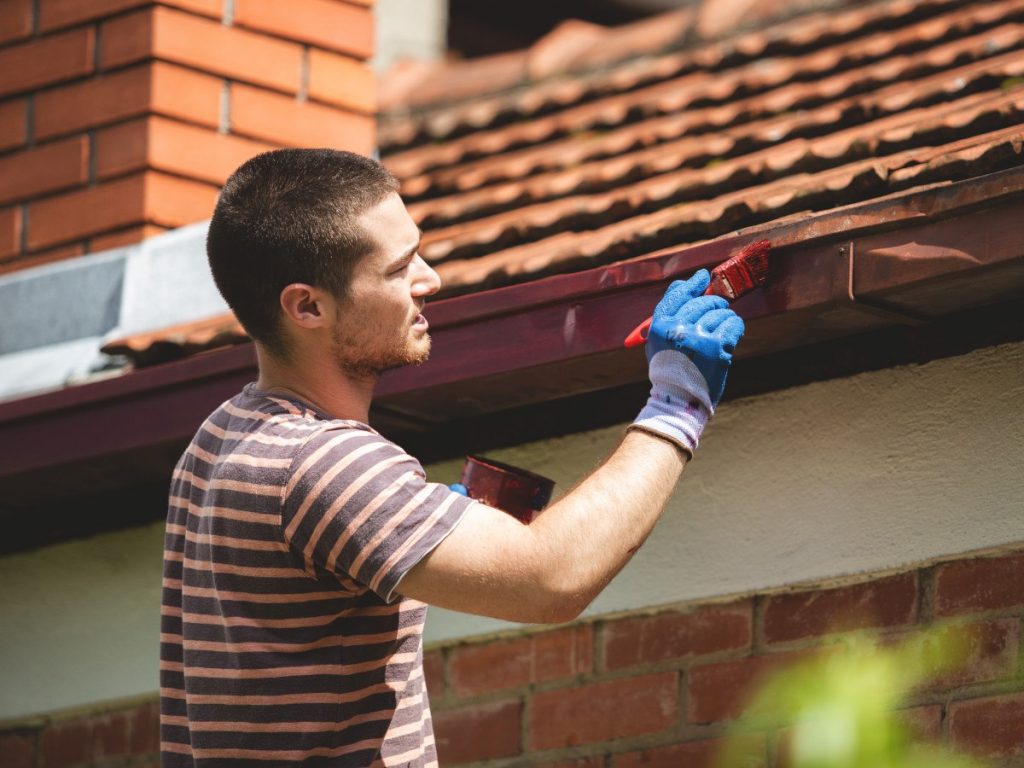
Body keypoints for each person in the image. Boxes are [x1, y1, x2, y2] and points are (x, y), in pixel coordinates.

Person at [160, 148, 745, 767]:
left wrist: (414, 522)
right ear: (307, 307)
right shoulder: (323, 463)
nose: (430, 279)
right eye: (399, 267)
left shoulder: (220, 439)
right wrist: (678, 401)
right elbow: (551, 580)